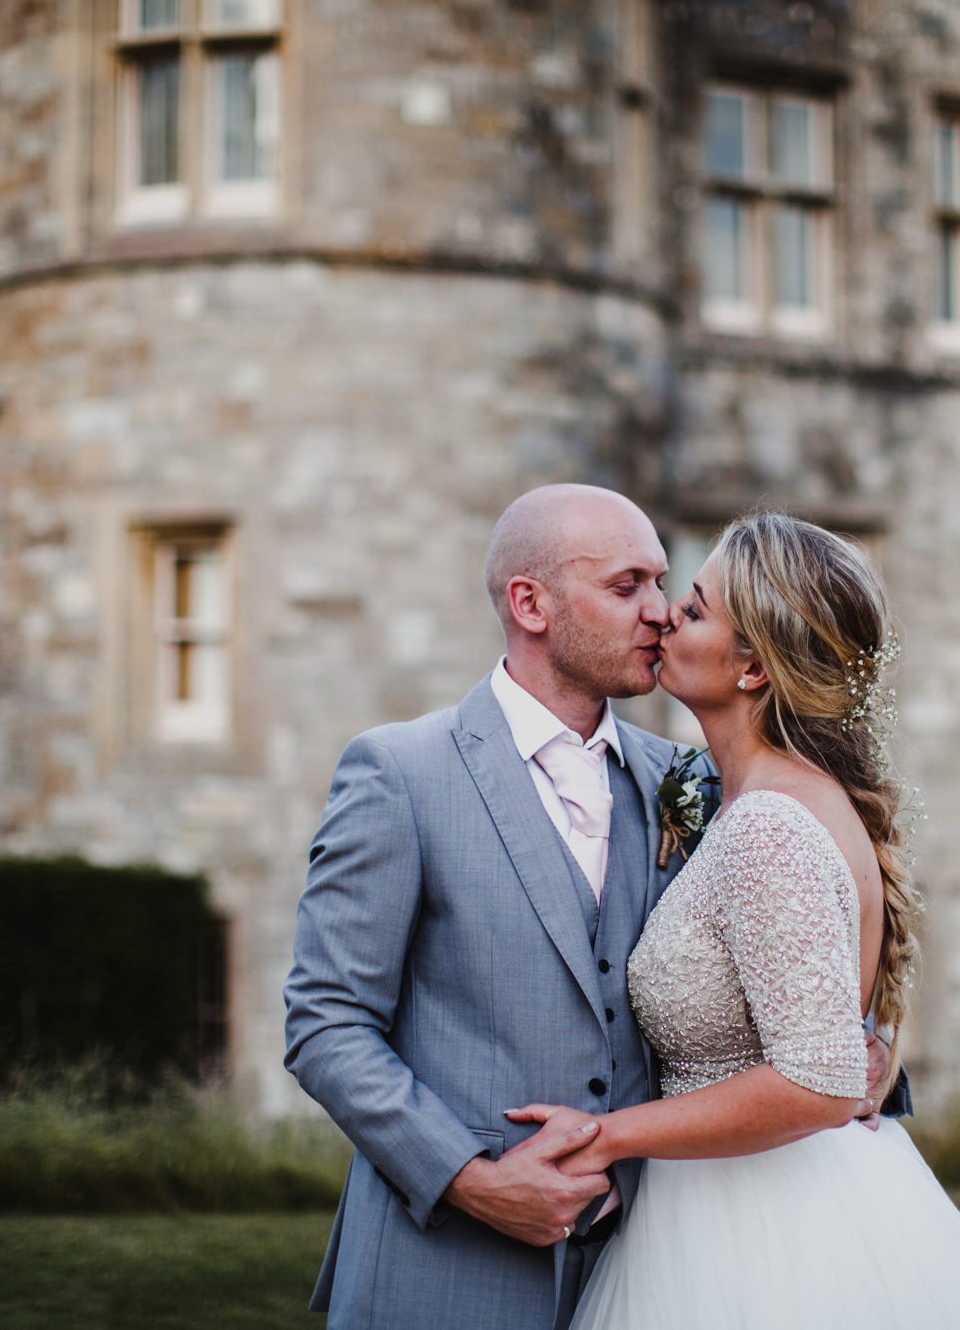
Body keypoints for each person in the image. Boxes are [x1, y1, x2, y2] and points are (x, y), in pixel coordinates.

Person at [283, 486, 894, 1330]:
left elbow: (797, 973)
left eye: (664, 583)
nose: (659, 612)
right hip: (444, 1272)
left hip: (657, 1267)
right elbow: (326, 1021)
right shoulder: (400, 774)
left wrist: (876, 1059)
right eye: (626, 586)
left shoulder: (692, 785)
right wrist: (474, 1181)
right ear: (529, 603)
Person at [507, 511, 960, 1329]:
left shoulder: (769, 825)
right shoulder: (750, 800)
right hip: (733, 1200)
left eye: (691, 606)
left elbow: (819, 1075)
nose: (661, 616)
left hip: (764, 1228)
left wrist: (610, 1133)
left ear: (752, 665)